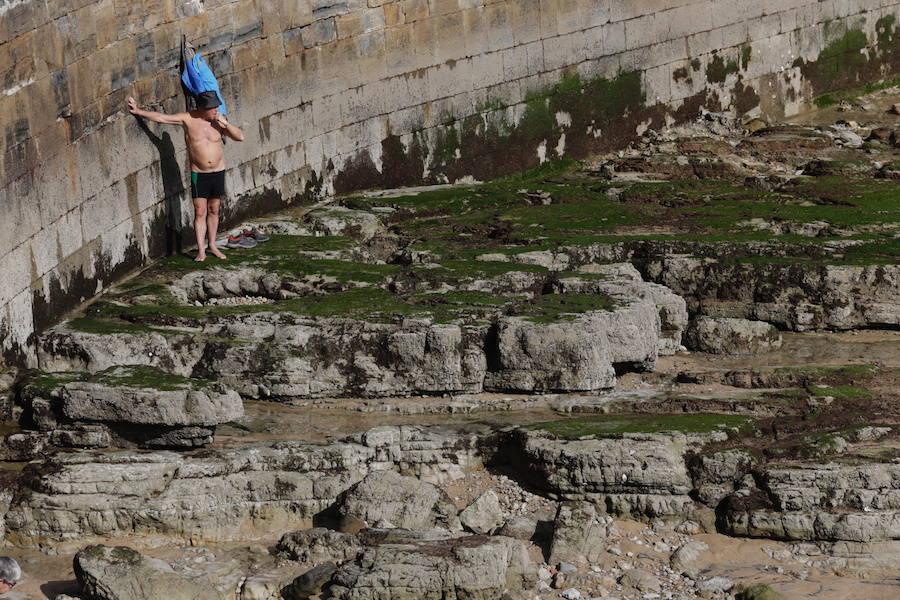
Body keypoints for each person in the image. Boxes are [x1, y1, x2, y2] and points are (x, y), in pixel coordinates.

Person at [127, 91, 245, 262]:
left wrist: (225, 124)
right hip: (200, 174)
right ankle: (201, 250)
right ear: (203, 108)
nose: (216, 110)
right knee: (200, 211)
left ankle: (212, 245)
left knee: (214, 209)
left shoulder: (219, 121)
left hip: (218, 172)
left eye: (216, 107)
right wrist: (138, 111)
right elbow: (161, 117)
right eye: (212, 108)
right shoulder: (188, 119)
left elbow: (240, 137)